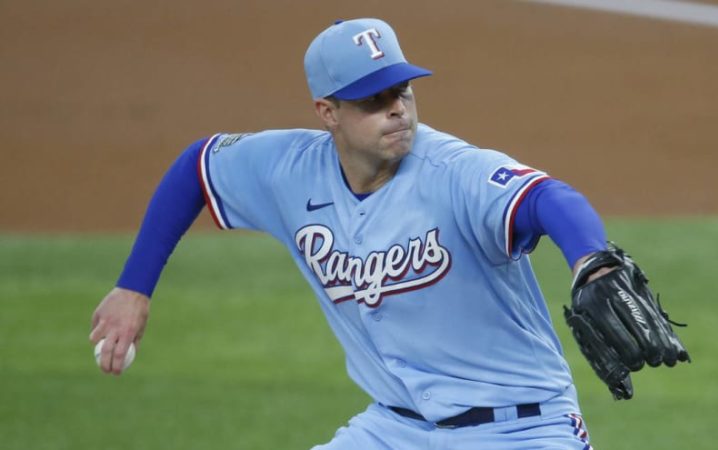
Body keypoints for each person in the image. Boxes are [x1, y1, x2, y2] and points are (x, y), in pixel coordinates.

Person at [90, 18, 649, 449]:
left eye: (401, 92)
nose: (396, 111)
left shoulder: (454, 171)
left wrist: (591, 263)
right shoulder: (288, 171)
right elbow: (197, 165)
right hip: (394, 430)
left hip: (521, 429)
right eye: (372, 101)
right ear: (327, 112)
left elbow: (550, 200)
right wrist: (134, 288)